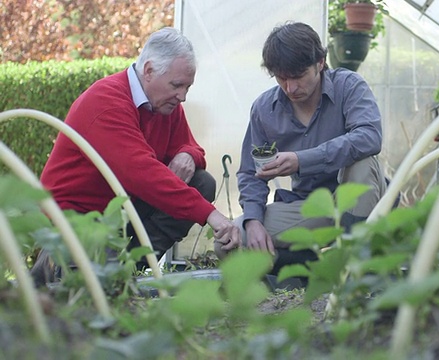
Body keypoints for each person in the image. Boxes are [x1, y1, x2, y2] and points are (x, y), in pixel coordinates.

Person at [36, 27, 241, 277]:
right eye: (177, 85)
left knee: (201, 182)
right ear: (149, 71)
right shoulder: (106, 102)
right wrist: (211, 215)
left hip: (119, 209)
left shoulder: (165, 104)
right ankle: (61, 265)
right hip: (75, 215)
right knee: (88, 292)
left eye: (187, 87)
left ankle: (134, 269)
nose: (183, 96)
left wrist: (187, 154)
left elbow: (192, 146)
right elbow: (143, 174)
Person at [215, 22, 387, 276]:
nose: (290, 88)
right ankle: (308, 265)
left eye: (298, 76)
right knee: (229, 241)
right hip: (311, 208)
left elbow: (369, 137)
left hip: (359, 203)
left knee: (362, 163)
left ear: (320, 62)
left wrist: (302, 160)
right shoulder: (266, 110)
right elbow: (253, 173)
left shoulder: (348, 87)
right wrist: (253, 221)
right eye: (281, 78)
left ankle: (358, 271)